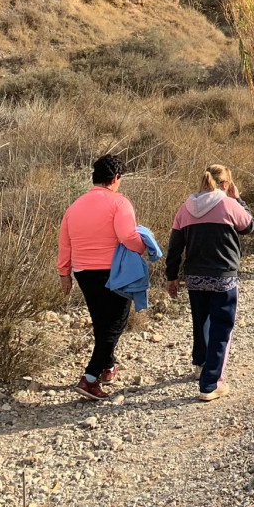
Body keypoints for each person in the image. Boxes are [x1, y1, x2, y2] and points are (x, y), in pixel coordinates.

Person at [57, 154, 147, 401]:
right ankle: (89, 379)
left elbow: (64, 242)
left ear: (94, 177)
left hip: (84, 272)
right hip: (114, 271)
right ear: (116, 178)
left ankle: (108, 367)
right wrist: (144, 246)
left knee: (101, 321)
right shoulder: (119, 203)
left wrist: (64, 273)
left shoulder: (74, 206)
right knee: (115, 324)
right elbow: (128, 236)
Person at [166, 165, 254, 401]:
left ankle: (201, 364)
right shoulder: (228, 203)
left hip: (195, 277)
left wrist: (171, 276)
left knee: (201, 321)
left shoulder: (185, 207)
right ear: (226, 184)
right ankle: (211, 383)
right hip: (223, 275)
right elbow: (248, 226)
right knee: (221, 327)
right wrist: (238, 199)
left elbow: (175, 246)